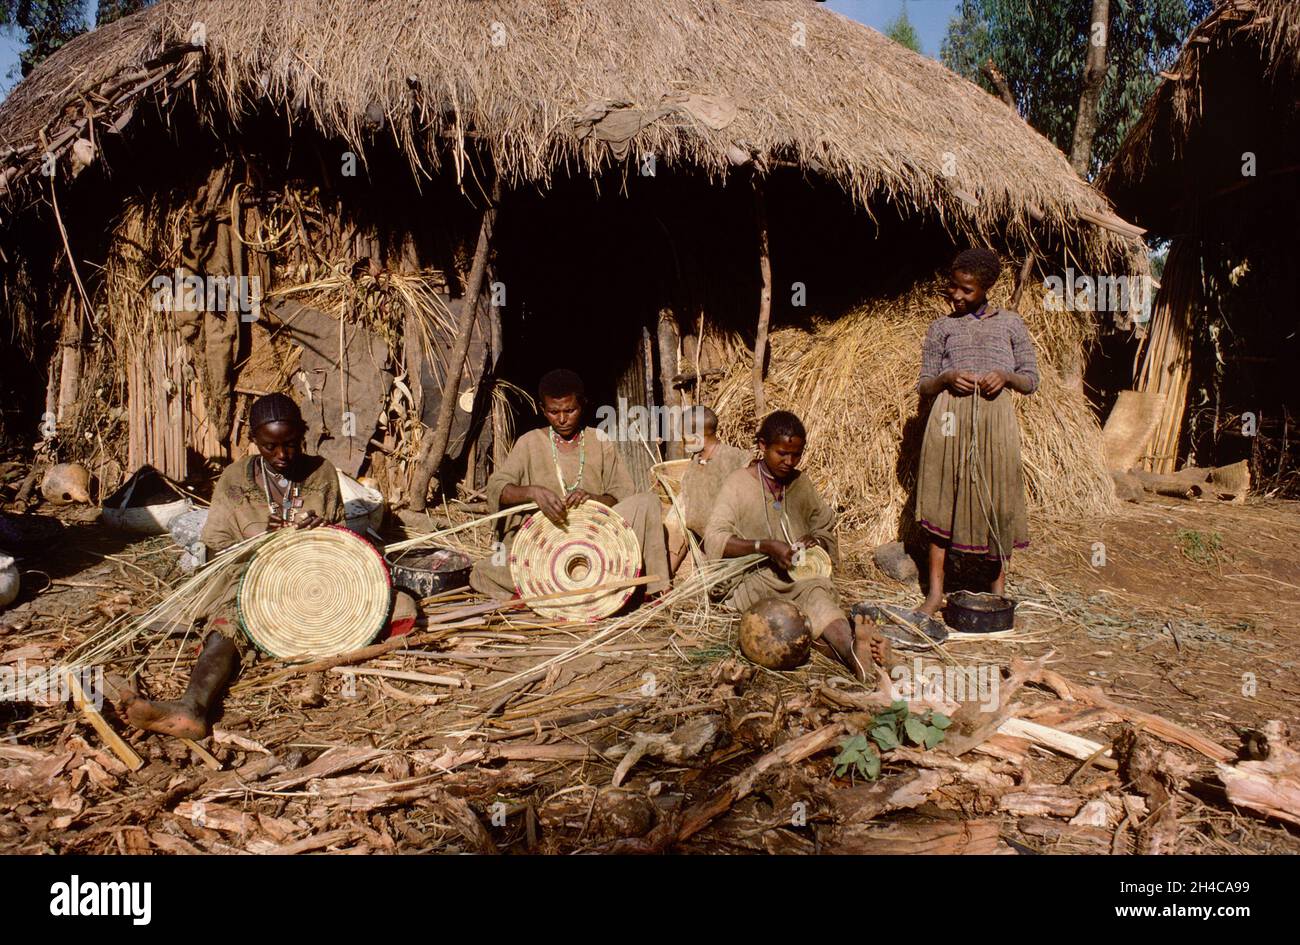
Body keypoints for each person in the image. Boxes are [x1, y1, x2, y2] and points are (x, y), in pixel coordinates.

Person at [120, 393, 345, 738]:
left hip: (313, 576)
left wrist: (322, 531)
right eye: (270, 446)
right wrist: (259, 543)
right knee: (232, 618)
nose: (283, 455)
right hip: (249, 576)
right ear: (253, 441)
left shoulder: (322, 472)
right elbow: (215, 550)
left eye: (291, 444)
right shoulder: (235, 478)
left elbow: (346, 542)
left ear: (302, 435)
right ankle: (193, 707)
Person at [704, 410, 887, 684]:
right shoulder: (738, 484)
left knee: (817, 597)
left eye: (796, 454)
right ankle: (852, 652)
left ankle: (857, 655)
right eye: (782, 453)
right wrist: (764, 546)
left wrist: (815, 539)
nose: (789, 462)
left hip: (799, 578)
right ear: (763, 446)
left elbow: (824, 523)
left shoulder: (800, 483)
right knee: (789, 627)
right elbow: (715, 538)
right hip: (754, 579)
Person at [469, 369, 670, 600]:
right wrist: (533, 493)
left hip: (596, 540)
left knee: (647, 501)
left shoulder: (599, 440)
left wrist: (594, 499)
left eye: (570, 410)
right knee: (482, 572)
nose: (562, 419)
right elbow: (497, 488)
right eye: (554, 412)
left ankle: (657, 590)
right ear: (543, 409)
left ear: (582, 406)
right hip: (546, 546)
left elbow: (621, 493)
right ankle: (561, 588)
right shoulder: (529, 442)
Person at [914, 248, 1038, 616]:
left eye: (967, 290)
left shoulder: (1011, 324)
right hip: (948, 420)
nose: (957, 295)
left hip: (995, 423)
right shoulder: (942, 327)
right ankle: (935, 594)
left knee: (998, 499)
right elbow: (923, 384)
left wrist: (1007, 377)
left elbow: (1031, 380)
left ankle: (997, 591)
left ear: (986, 288)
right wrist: (947, 378)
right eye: (954, 287)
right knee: (943, 497)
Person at [666, 406, 751, 573]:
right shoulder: (695, 462)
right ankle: (666, 576)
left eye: (684, 436)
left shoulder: (734, 458)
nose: (682, 441)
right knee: (676, 514)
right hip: (704, 540)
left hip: (730, 544)